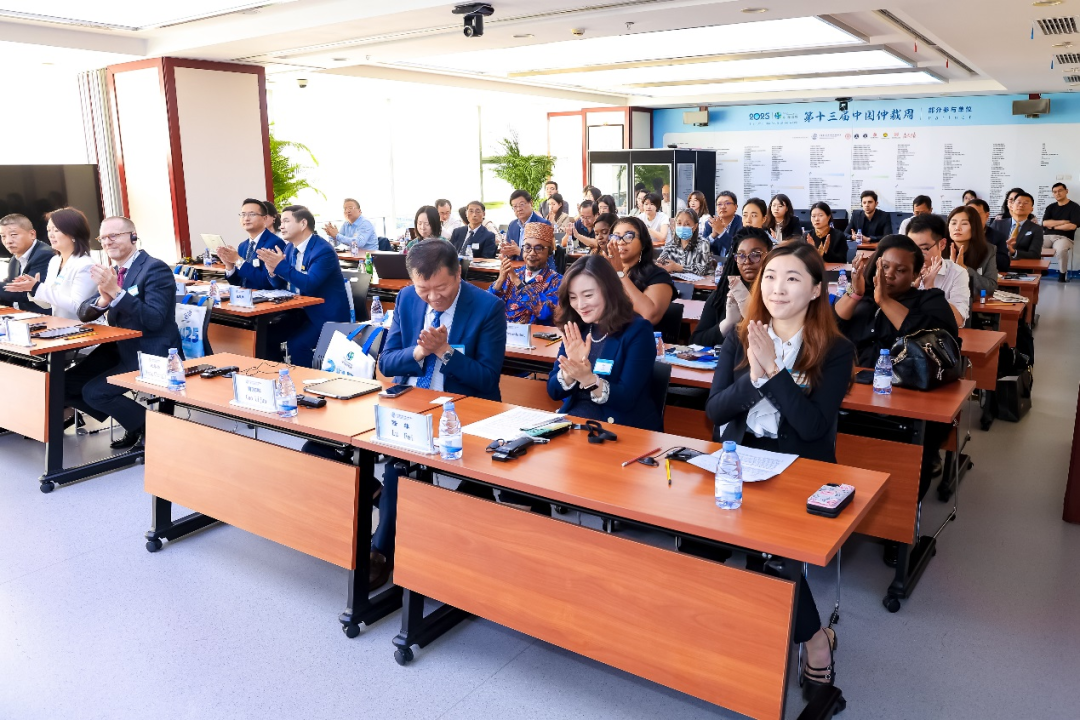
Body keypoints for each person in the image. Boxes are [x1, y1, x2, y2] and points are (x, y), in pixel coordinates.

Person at [704, 242, 853, 694]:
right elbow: (715, 411)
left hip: (801, 468)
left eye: (792, 279)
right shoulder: (740, 336)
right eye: (769, 277)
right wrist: (754, 377)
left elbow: (812, 427)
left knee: (778, 555)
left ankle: (815, 642)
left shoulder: (835, 349)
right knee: (702, 543)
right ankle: (747, 634)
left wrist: (774, 372)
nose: (777, 288)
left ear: (815, 290)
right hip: (743, 460)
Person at [371, 240, 507, 589]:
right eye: (424, 289)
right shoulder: (406, 298)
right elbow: (387, 363)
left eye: (441, 288)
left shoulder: (488, 307)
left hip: (465, 411)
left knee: (456, 485)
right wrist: (420, 351)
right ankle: (386, 548)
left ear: (458, 273)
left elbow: (487, 379)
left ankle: (409, 548)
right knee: (396, 466)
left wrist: (444, 351)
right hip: (411, 404)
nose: (433, 298)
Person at [834, 235, 958, 502]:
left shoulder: (930, 300)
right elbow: (831, 327)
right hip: (856, 395)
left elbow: (936, 341)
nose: (889, 275)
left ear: (915, 274)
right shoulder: (862, 297)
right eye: (885, 266)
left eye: (900, 270)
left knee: (905, 470)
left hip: (909, 401)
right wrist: (856, 294)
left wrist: (884, 301)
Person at [68, 216, 182, 449]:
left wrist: (118, 293)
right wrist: (103, 299)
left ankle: (153, 429)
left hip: (150, 351)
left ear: (133, 236)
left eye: (114, 235)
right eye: (103, 238)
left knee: (94, 393)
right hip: (119, 348)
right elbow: (83, 312)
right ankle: (135, 423)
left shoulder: (154, 268)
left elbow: (154, 319)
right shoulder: (114, 271)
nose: (107, 242)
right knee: (65, 384)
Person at [547, 254, 661, 430]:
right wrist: (571, 371)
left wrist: (589, 379)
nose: (580, 305)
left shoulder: (638, 331)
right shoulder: (577, 327)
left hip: (618, 429)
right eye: (573, 297)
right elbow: (553, 391)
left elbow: (626, 399)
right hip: (576, 422)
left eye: (588, 295)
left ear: (609, 291)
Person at [256, 205, 350, 368]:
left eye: (286, 221)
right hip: (300, 312)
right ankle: (279, 374)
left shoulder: (323, 251)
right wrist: (272, 271)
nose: (281, 226)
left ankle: (309, 380)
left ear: (303, 224)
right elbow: (280, 284)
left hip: (324, 316)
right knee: (265, 336)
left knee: (298, 344)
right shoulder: (289, 248)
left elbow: (309, 284)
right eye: (281, 222)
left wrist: (280, 266)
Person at [6, 207, 97, 320]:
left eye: (56, 230)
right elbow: (47, 304)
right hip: (62, 326)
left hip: (86, 327)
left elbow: (79, 308)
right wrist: (32, 289)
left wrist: (38, 287)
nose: (51, 235)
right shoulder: (55, 261)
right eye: (49, 230)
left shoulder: (86, 265)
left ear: (73, 233)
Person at [690, 228, 773, 347]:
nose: (747, 261)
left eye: (755, 255)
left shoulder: (776, 296)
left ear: (769, 256)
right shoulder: (723, 294)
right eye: (741, 255)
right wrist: (728, 323)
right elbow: (696, 341)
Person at [603, 215, 675, 325]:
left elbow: (650, 316)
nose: (621, 242)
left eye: (628, 236)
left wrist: (620, 273)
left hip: (636, 333)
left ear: (643, 243)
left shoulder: (658, 276)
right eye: (616, 237)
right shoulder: (604, 272)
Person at [489, 222, 561, 323]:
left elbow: (544, 312)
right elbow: (487, 305)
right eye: (527, 247)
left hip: (535, 332)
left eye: (538, 248)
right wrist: (500, 280)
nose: (532, 253)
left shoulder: (557, 281)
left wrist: (518, 282)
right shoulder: (511, 274)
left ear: (549, 253)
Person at [907, 213, 971, 326]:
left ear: (942, 244)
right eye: (912, 248)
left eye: (924, 248)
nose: (917, 255)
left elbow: (958, 320)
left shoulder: (957, 273)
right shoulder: (902, 270)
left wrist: (931, 289)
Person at [219, 199, 287, 290]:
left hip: (266, 297)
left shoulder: (274, 243)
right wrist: (230, 266)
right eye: (243, 214)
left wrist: (238, 260)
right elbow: (240, 282)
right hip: (245, 297)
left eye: (252, 214)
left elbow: (266, 282)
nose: (246, 218)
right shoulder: (243, 246)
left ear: (264, 218)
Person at [0, 213, 54, 313]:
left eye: (13, 235)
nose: (8, 241)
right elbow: (9, 286)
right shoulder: (14, 259)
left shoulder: (44, 255)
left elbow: (24, 292)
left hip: (39, 317)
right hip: (16, 314)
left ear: (32, 234)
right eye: (3, 236)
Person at [946, 205, 998, 302]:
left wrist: (965, 268)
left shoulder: (988, 250)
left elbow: (991, 287)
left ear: (974, 227)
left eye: (964, 224)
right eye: (953, 223)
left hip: (973, 305)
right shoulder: (939, 248)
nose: (957, 228)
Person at [1041, 182, 1079, 282]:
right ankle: (1040, 269)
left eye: (1060, 191)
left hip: (1065, 237)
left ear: (1066, 191)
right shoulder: (1050, 207)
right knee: (1035, 246)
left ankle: (1062, 274)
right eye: (1054, 192)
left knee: (1061, 250)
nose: (1057, 194)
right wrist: (1063, 222)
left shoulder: (1075, 207)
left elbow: (1072, 226)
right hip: (1047, 236)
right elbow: (1045, 223)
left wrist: (1053, 225)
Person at [657, 209, 711, 277]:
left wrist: (678, 267)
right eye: (679, 223)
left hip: (700, 282)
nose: (682, 227)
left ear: (695, 226)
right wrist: (660, 264)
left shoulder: (703, 243)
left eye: (687, 224)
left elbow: (701, 270)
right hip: (677, 281)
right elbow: (661, 261)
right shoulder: (671, 244)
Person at [991, 191, 1042, 260]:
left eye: (1026, 203)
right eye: (1018, 202)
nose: (1021, 205)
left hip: (1021, 265)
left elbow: (1035, 254)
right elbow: (987, 246)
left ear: (1031, 209)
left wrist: (1014, 252)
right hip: (997, 263)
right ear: (1011, 206)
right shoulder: (997, 224)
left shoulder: (1036, 229)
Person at [504, 190, 551, 259]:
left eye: (522, 204)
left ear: (531, 203)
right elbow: (509, 253)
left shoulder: (543, 224)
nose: (519, 209)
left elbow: (544, 254)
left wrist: (520, 252)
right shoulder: (512, 225)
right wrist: (508, 253)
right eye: (515, 206)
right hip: (515, 265)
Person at [967, 198, 1010, 272]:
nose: (972, 218)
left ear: (986, 215)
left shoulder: (998, 236)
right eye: (969, 214)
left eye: (976, 214)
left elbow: (1004, 264)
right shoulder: (958, 235)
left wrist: (981, 249)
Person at [704, 191, 742, 258]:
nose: (723, 207)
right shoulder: (710, 224)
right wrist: (713, 235)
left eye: (727, 203)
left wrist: (721, 232)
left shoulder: (741, 223)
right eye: (719, 204)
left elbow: (738, 248)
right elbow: (702, 249)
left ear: (735, 207)